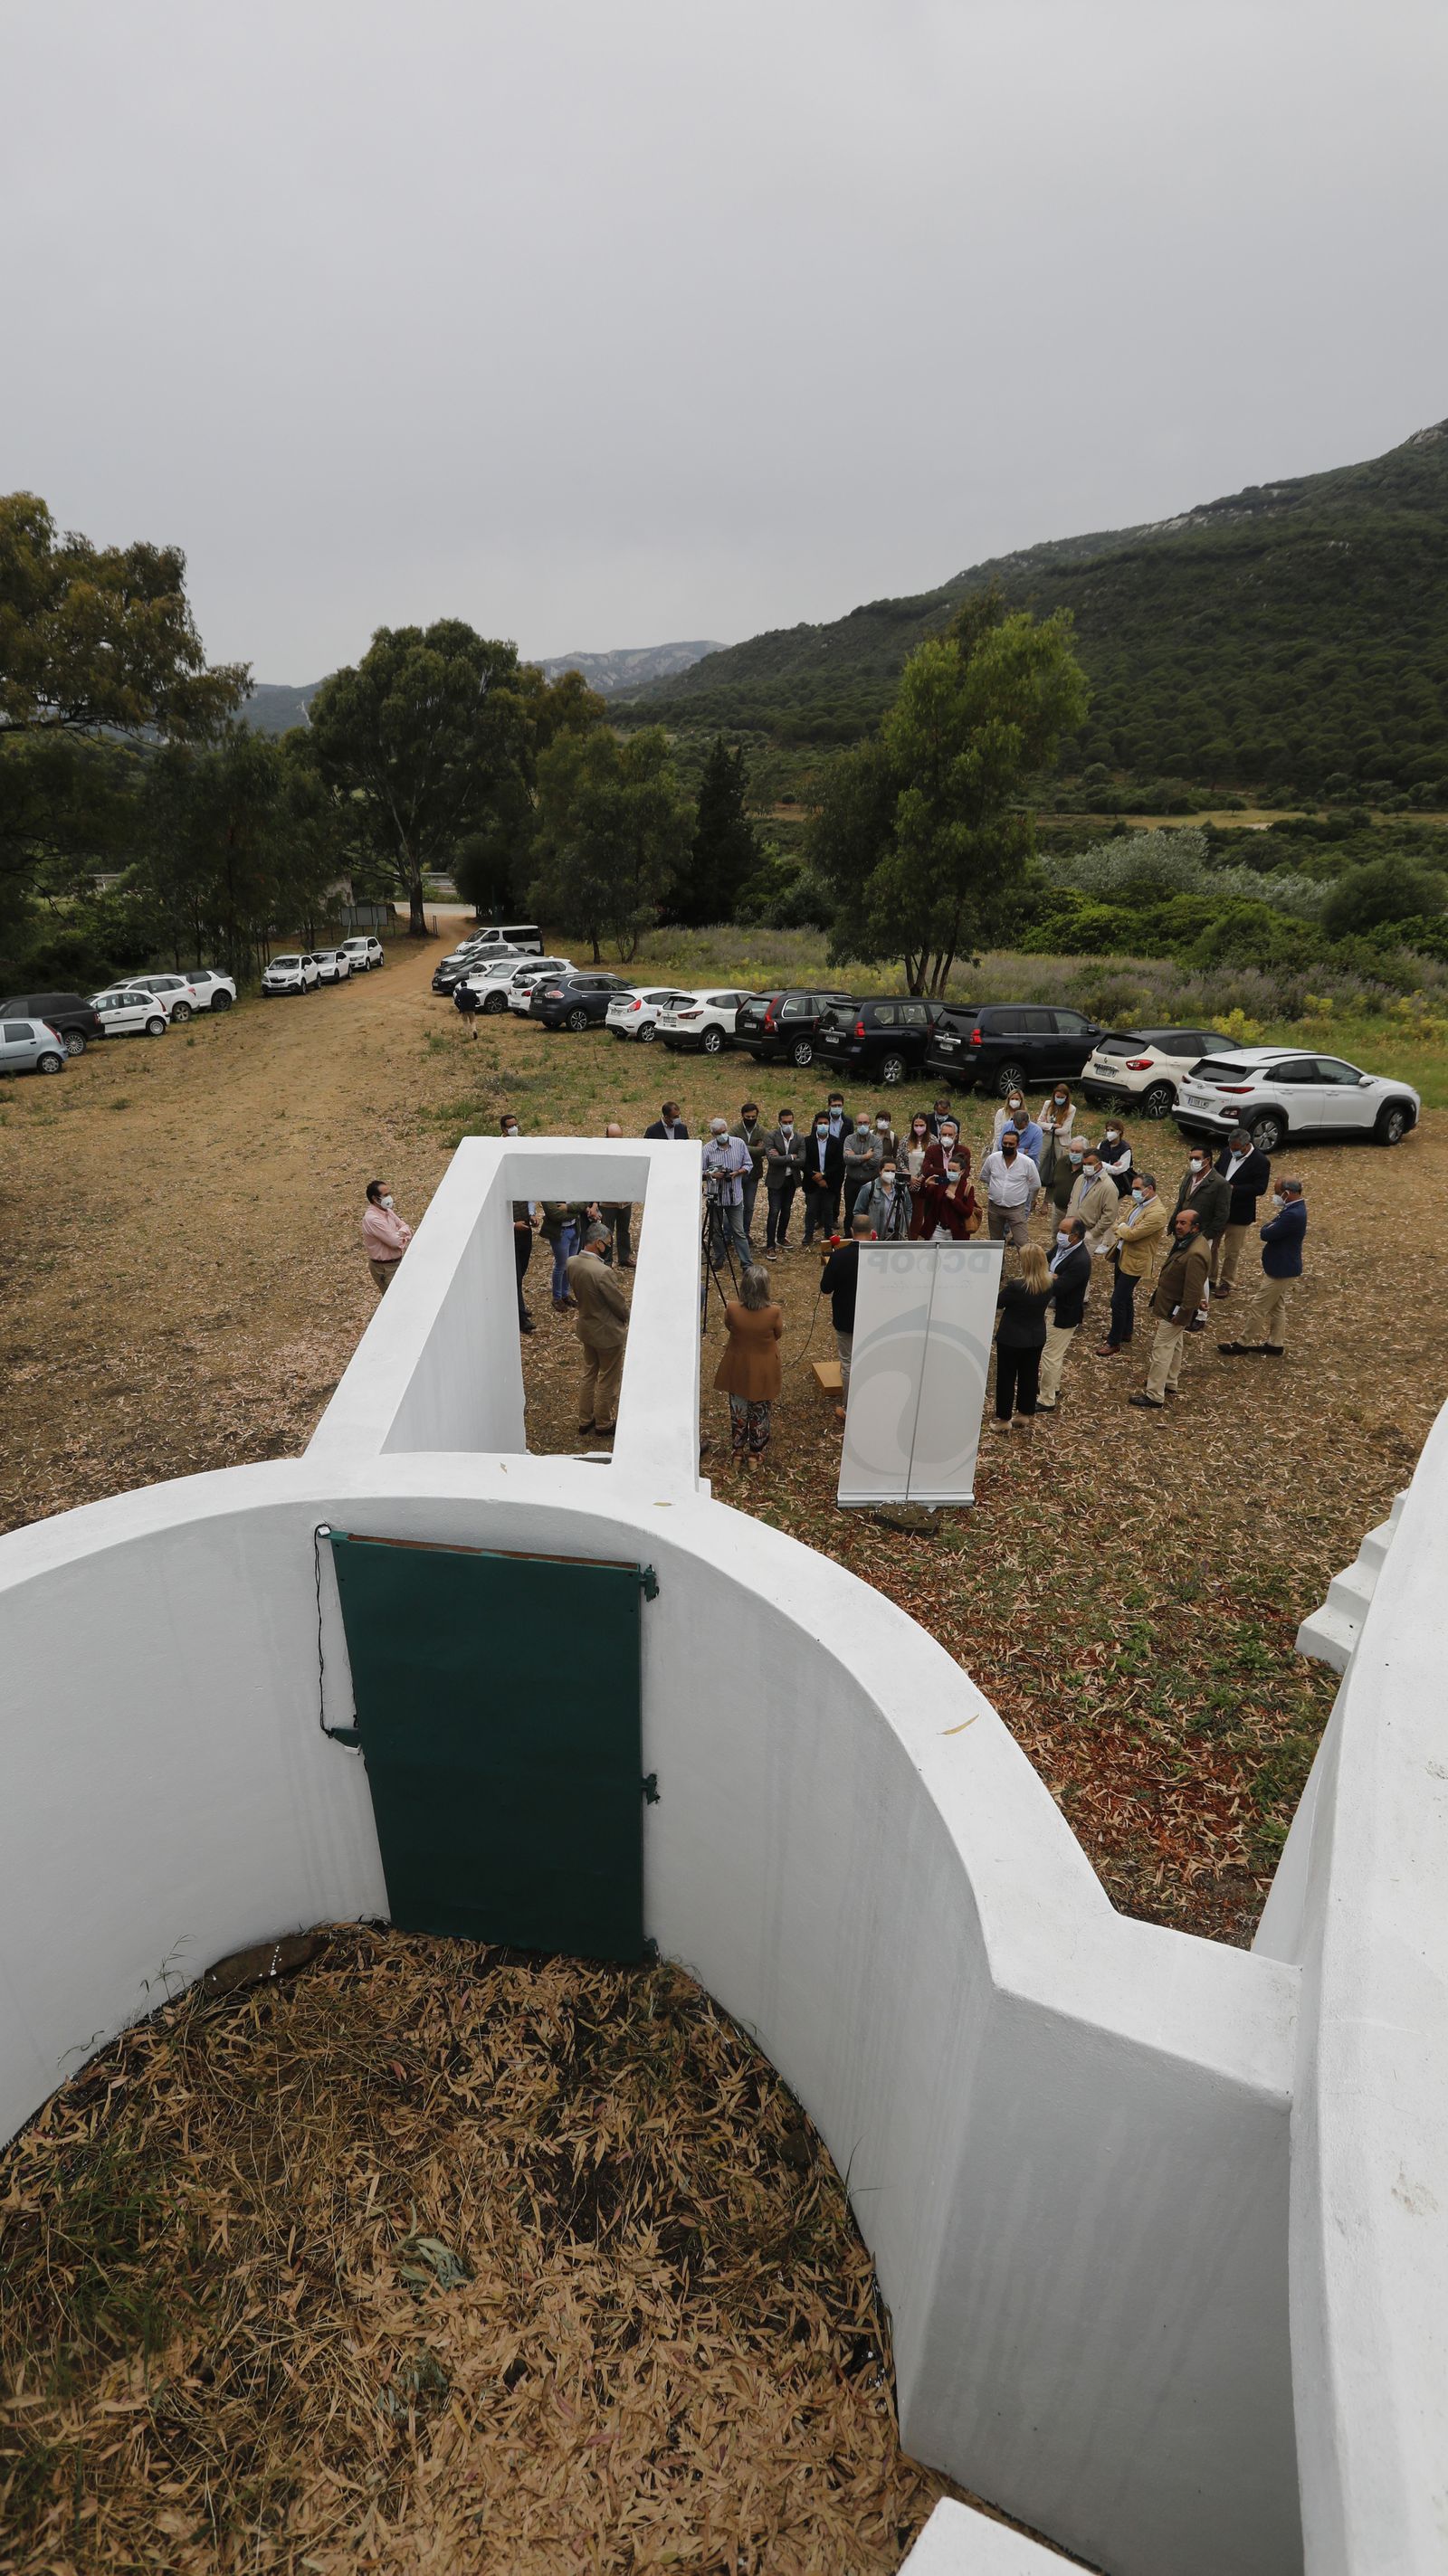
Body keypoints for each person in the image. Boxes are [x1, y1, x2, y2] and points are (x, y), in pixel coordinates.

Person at [1130, 1207, 1209, 1409]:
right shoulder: (1189, 1243)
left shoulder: (1195, 1253)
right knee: (1175, 1344)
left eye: (1184, 1223)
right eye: (1178, 1222)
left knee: (1161, 1349)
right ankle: (1170, 1381)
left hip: (1174, 1309)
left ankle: (1154, 1394)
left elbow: (1193, 1287)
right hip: (1172, 1304)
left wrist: (1183, 1314)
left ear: (1195, 1227)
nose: (1178, 1226)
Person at [1219, 1178, 1306, 1357]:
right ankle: (1276, 1343)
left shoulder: (1293, 1214)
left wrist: (1269, 1227)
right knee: (1277, 1306)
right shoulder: (1293, 1209)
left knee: (1258, 1306)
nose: (1275, 1197)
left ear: (1287, 1194)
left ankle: (1242, 1343)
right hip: (1283, 1266)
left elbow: (1267, 1233)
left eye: (1277, 1193)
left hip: (1281, 1269)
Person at [712, 1263, 784, 1469]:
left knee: (738, 1410)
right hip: (763, 1368)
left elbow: (729, 1326)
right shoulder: (774, 1312)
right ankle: (755, 1453)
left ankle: (737, 1451)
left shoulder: (732, 1309)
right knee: (759, 1411)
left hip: (738, 1366)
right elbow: (778, 1334)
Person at [565, 1223, 631, 1436]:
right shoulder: (603, 1272)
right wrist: (626, 1317)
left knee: (588, 1373)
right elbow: (617, 1304)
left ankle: (585, 1419)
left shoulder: (571, 1262)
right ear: (598, 1243)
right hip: (607, 1332)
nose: (609, 1247)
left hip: (586, 1327)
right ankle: (603, 1422)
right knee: (608, 1378)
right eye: (607, 1244)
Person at [1098, 1171, 1167, 1355]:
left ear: (1150, 1189)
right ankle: (1126, 1332)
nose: (1133, 1192)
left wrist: (1124, 1229)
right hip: (1122, 1254)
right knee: (1125, 1297)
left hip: (1136, 1261)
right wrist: (1124, 1229)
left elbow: (1131, 1234)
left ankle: (1114, 1341)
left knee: (1117, 1301)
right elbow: (1120, 1223)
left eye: (1137, 1188)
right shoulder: (1139, 1204)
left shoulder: (1157, 1213)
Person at [991, 1243, 1052, 1431]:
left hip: (1011, 1338)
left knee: (1007, 1377)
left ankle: (1003, 1419)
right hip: (1035, 1337)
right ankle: (1024, 1414)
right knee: (1029, 1375)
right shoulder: (1049, 1283)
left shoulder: (1016, 1286)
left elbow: (998, 1303)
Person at [819, 1210, 872, 1425]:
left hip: (846, 1317)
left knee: (848, 1363)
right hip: (872, 1317)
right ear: (871, 1232)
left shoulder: (839, 1256)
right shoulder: (879, 1255)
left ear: (851, 1230)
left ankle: (850, 1407)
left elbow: (826, 1288)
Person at [1037, 1217, 1091, 1411]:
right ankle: (1054, 1387)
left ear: (1075, 1236)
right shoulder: (1062, 1248)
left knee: (1050, 1356)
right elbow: (1044, 1261)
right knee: (1054, 1354)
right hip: (1051, 1309)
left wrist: (1049, 1277)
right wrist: (1051, 1275)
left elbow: (1059, 1287)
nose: (1059, 1235)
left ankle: (1047, 1399)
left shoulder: (1080, 1261)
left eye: (1063, 1232)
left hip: (1063, 1314)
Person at [1210, 1127, 1272, 1297]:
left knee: (1232, 1251)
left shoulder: (1260, 1161)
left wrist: (1234, 1189)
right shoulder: (1226, 1153)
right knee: (1211, 1246)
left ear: (1246, 1145)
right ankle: (1210, 1278)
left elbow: (1260, 1188)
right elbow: (1215, 1170)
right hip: (1219, 1210)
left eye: (1237, 1149)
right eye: (1231, 1148)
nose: (1233, 1151)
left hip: (1239, 1213)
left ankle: (1226, 1282)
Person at [702, 1116, 753, 1274]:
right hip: (715, 1196)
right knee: (716, 1230)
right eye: (718, 1133)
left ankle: (746, 1263)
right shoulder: (707, 1149)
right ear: (713, 1135)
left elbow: (748, 1164)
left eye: (724, 1132)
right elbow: (699, 1171)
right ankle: (719, 1257)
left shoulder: (739, 1144)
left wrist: (737, 1173)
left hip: (734, 1196)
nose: (722, 1135)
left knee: (739, 1231)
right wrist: (712, 1174)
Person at [979, 1128, 1041, 1250]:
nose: (1007, 1146)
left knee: (1022, 1243)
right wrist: (997, 1187)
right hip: (995, 1207)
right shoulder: (992, 1159)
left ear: (1017, 1145)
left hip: (1016, 1209)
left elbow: (1036, 1184)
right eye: (1005, 1143)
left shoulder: (1027, 1163)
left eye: (1011, 1144)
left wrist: (1021, 1192)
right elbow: (984, 1176)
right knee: (996, 1242)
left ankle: (1026, 1268)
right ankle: (999, 1268)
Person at [1173, 1144, 1231, 1251]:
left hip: (1201, 1235)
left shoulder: (1220, 1183)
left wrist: (1206, 1236)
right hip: (1182, 1232)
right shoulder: (1189, 1175)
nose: (1193, 1162)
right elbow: (1181, 1201)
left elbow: (1222, 1215)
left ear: (1207, 1160)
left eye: (1197, 1158)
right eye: (1191, 1159)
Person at [802, 1107, 845, 1245]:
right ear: (815, 1124)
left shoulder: (836, 1142)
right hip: (811, 1182)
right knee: (811, 1210)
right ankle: (808, 1235)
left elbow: (839, 1164)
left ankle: (828, 1235)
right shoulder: (807, 1141)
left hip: (829, 1183)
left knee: (828, 1210)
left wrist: (824, 1176)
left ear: (829, 1124)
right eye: (820, 1123)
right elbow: (804, 1162)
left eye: (825, 1123)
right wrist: (814, 1176)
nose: (823, 1126)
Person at [595, 1120, 635, 1269]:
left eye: (620, 1137)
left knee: (624, 1230)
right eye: (614, 1138)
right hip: (608, 1202)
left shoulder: (628, 1150)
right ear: (607, 1137)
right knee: (607, 1231)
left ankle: (624, 1257)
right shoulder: (601, 1154)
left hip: (625, 1200)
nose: (618, 1141)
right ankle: (607, 1260)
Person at [1067, 1147, 1120, 1256]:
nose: (1087, 1167)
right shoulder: (1080, 1179)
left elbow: (1109, 1216)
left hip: (1088, 1232)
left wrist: (1093, 1233)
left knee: (1078, 1265)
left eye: (1090, 1163)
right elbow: (1072, 1200)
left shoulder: (1108, 1187)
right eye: (1084, 1164)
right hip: (1071, 1228)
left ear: (1099, 1164)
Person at [764, 1109, 805, 1250]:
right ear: (779, 1122)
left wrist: (782, 1157)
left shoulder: (799, 1138)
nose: (788, 1125)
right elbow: (772, 1159)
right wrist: (792, 1156)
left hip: (791, 1180)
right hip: (775, 1180)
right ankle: (770, 1244)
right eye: (785, 1122)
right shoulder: (771, 1136)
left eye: (790, 1122)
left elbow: (802, 1160)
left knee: (786, 1210)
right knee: (774, 1211)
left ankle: (781, 1237)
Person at [361, 1179, 411, 1293]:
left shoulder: (387, 1211)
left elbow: (404, 1226)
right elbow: (395, 1242)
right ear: (375, 1198)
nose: (389, 1198)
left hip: (396, 1262)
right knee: (396, 1299)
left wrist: (399, 1234)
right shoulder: (373, 1219)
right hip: (385, 1269)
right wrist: (402, 1234)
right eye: (386, 1195)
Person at [540, 1196, 589, 1310]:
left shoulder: (572, 1186)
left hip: (574, 1229)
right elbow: (555, 1215)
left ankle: (565, 1294)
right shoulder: (547, 1192)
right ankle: (557, 1298)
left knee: (570, 1265)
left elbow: (585, 1201)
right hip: (560, 1233)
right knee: (561, 1265)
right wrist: (576, 1212)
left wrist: (568, 1207)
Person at [731, 1101, 768, 1245]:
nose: (751, 1119)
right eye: (748, 1116)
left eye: (754, 1117)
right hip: (738, 1174)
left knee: (749, 1206)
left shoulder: (762, 1131)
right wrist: (754, 1148)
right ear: (742, 1116)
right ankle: (730, 1234)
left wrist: (742, 1146)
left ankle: (745, 1233)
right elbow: (731, 1146)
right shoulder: (735, 1129)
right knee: (734, 1204)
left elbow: (764, 1151)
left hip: (753, 1174)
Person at [859, 1153, 911, 1240]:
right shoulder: (869, 1188)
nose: (890, 1173)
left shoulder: (902, 1189)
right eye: (887, 1171)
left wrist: (904, 1227)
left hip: (897, 1237)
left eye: (893, 1171)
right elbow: (858, 1212)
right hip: (876, 1237)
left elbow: (908, 1208)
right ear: (880, 1171)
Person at [842, 1111, 882, 1222]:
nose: (862, 1125)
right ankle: (849, 1235)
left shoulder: (877, 1141)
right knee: (850, 1211)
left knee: (869, 1211)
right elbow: (846, 1159)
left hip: (870, 1182)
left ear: (870, 1123)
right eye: (860, 1123)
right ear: (856, 1124)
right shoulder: (849, 1139)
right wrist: (866, 1156)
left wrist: (857, 1158)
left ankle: (869, 1237)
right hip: (852, 1181)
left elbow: (876, 1161)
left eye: (865, 1123)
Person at [1036, 1084, 1076, 1190]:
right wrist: (1053, 1126)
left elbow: (1065, 1130)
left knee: (1056, 1169)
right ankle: (1032, 1198)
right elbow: (1039, 1122)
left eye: (1062, 1097)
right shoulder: (1048, 1104)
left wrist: (1047, 1127)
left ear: (1066, 1097)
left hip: (1060, 1141)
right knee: (1038, 1166)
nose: (1059, 1099)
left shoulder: (1071, 1109)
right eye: (1057, 1097)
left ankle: (1047, 1202)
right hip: (1046, 1138)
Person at [903, 1113, 933, 1232]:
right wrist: (909, 1176)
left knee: (918, 1214)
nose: (919, 1128)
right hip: (907, 1181)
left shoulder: (933, 1140)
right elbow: (900, 1159)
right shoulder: (906, 1139)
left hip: (923, 1183)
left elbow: (932, 1162)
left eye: (922, 1125)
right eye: (916, 1125)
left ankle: (914, 1237)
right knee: (906, 1210)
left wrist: (920, 1178)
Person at [1050, 1136, 1087, 1221]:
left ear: (1085, 1152)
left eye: (1077, 1152)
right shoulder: (1062, 1161)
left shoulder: (1088, 1168)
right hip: (1058, 1209)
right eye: (1072, 1151)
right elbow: (1053, 1182)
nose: (1074, 1154)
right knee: (1056, 1234)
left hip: (1077, 1213)